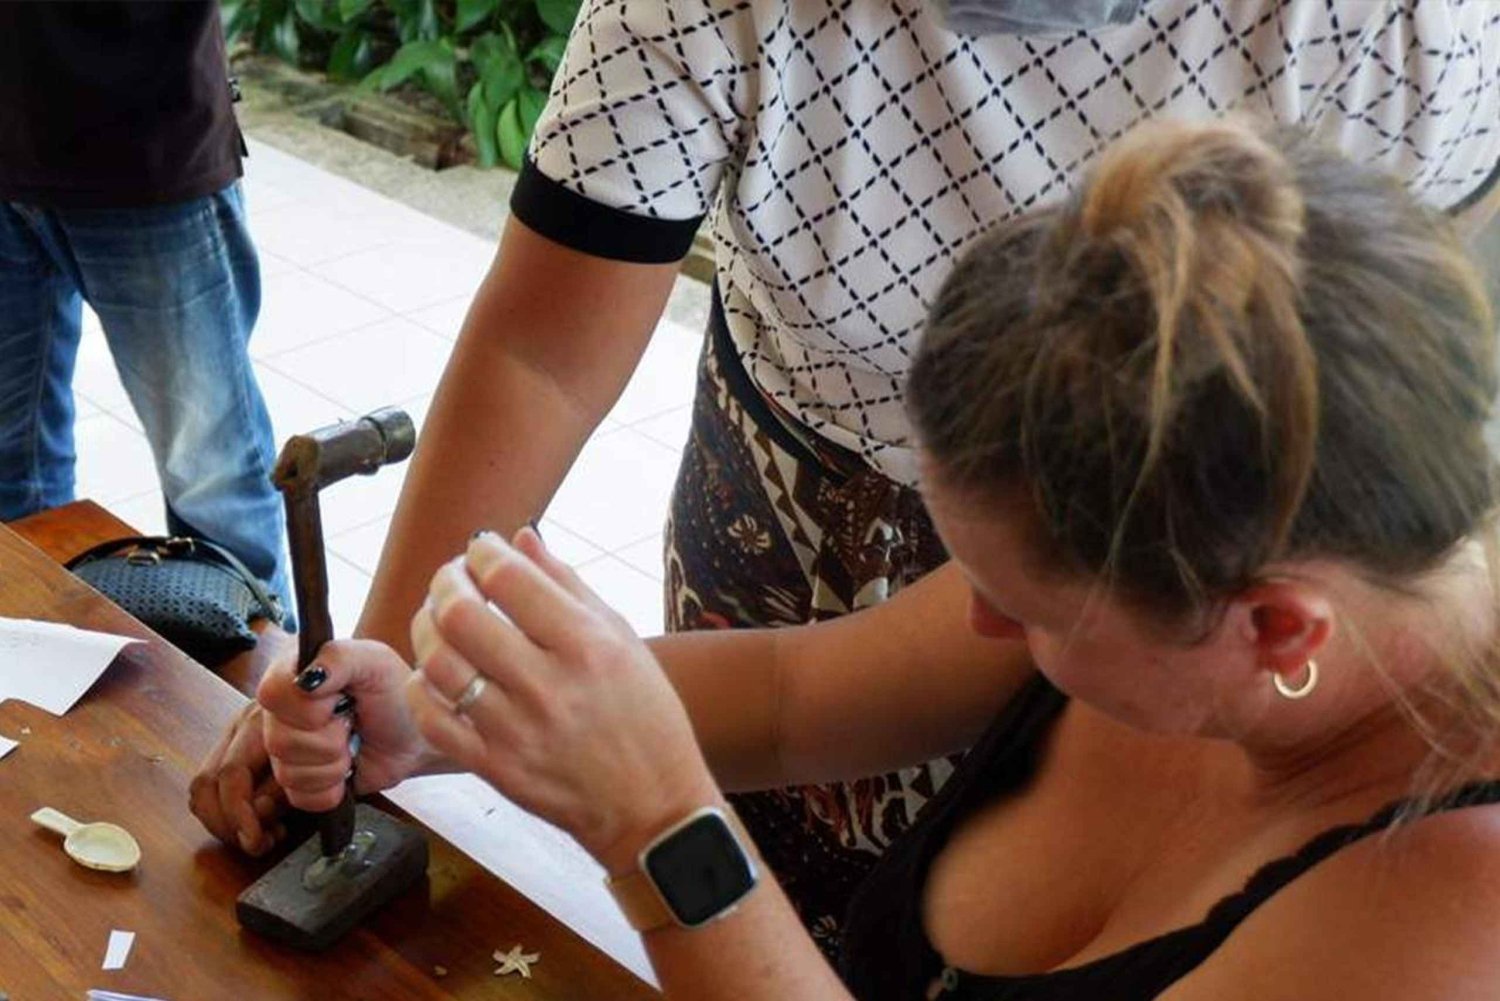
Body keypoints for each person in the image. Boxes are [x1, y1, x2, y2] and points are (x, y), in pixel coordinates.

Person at [194, 0, 1499, 948]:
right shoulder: (1178, 594)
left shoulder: (1438, 912)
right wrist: (434, 706)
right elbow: (795, 684)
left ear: (1271, 619)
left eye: (1020, 603)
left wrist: (663, 820)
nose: (961, 614)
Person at [0, 0, 291, 614]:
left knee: (215, 490)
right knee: (9, 476)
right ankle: (36, 681)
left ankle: (270, 702)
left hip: (143, 142)